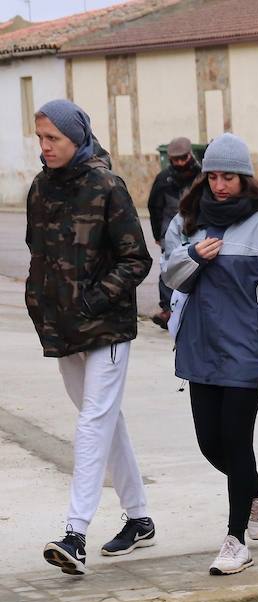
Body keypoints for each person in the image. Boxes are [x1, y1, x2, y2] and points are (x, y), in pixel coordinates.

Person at [161, 134, 258, 576]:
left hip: (248, 349)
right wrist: (193, 255)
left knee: (235, 439)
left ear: (244, 177)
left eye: (228, 176)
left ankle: (235, 541)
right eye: (213, 176)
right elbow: (170, 274)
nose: (220, 185)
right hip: (200, 344)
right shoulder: (189, 220)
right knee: (210, 443)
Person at [27, 100, 155, 576]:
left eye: (53, 138)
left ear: (76, 137)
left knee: (91, 425)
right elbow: (37, 255)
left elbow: (136, 259)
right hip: (63, 330)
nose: (45, 146)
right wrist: (41, 306)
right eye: (40, 138)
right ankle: (140, 518)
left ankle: (75, 533)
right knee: (101, 421)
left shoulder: (107, 186)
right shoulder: (40, 188)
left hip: (106, 328)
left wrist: (92, 301)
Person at [147, 136, 200, 329]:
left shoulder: (201, 176)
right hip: (168, 230)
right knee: (168, 268)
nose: (179, 163)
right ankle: (168, 309)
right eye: (175, 160)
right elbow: (154, 207)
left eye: (182, 159)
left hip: (195, 229)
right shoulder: (163, 180)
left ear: (189, 156)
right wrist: (157, 235)